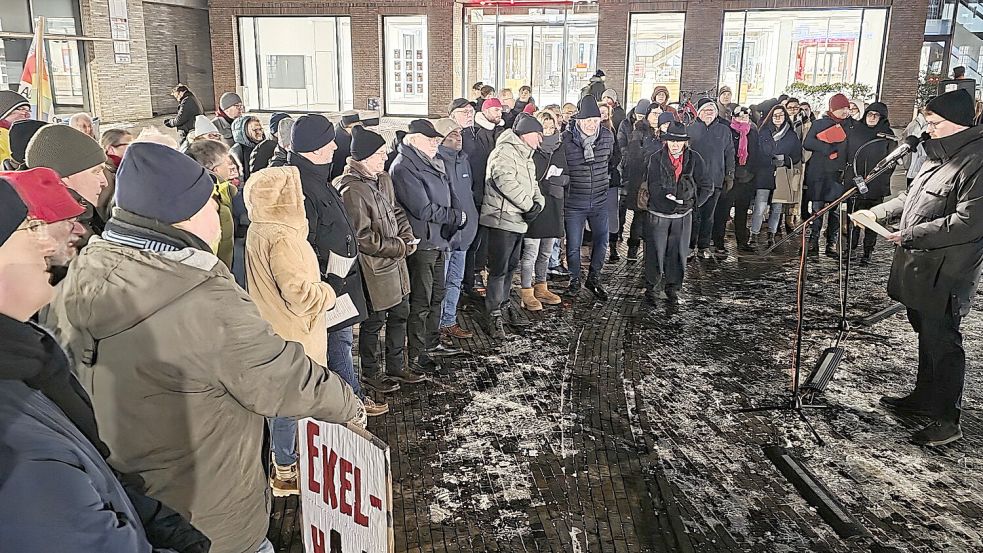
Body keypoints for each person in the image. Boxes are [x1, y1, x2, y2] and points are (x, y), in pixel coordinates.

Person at [43, 142, 360, 553]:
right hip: (208, 512)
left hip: (128, 499)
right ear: (187, 216)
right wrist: (348, 405)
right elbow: (282, 377)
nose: (218, 213)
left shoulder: (83, 270)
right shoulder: (199, 299)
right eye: (210, 203)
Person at [0, 176, 213, 553]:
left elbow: (92, 468)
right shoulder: (15, 445)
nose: (47, 243)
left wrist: (154, 520)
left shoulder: (31, 358)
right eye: (29, 228)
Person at [854, 88, 983, 447]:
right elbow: (911, 196)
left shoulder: (977, 159)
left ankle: (947, 418)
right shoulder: (936, 154)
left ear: (957, 124)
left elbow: (970, 221)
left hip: (948, 270)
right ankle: (924, 397)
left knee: (943, 343)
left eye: (935, 122)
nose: (927, 128)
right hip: (919, 266)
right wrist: (876, 213)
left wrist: (909, 234)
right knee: (925, 335)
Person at [243, 165, 360, 498]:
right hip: (295, 333)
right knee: (290, 404)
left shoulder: (259, 228)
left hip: (272, 328)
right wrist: (330, 289)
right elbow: (299, 297)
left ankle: (282, 459)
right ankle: (285, 469)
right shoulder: (284, 239)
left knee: (280, 399)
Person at [289, 114, 369, 397]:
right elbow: (301, 246)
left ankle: (349, 398)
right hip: (328, 286)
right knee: (338, 347)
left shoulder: (317, 177)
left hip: (338, 282)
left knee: (343, 344)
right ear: (314, 148)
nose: (336, 146)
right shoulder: (301, 186)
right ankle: (350, 405)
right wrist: (328, 280)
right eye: (329, 142)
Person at [337, 126, 417, 400]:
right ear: (364, 157)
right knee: (374, 322)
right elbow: (363, 238)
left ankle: (397, 366)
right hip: (374, 270)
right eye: (380, 154)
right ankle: (371, 373)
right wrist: (399, 247)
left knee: (400, 314)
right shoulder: (352, 190)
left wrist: (406, 236)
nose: (385, 158)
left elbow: (396, 211)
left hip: (396, 263)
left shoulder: (382, 179)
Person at [391, 120, 466, 373]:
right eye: (430, 139)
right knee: (421, 301)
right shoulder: (404, 167)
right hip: (423, 242)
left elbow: (450, 191)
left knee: (437, 295)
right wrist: (455, 217)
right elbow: (421, 208)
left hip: (439, 239)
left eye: (436, 139)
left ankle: (431, 343)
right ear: (414, 140)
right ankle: (416, 354)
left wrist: (456, 214)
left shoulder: (433, 162)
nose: (436, 142)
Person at [480, 114, 545, 337]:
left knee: (510, 267)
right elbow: (504, 181)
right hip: (502, 219)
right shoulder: (505, 151)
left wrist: (539, 202)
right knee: (498, 269)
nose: (540, 140)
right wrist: (529, 206)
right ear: (527, 134)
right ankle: (493, 315)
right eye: (538, 135)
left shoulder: (526, 154)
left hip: (517, 220)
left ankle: (506, 307)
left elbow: (533, 183)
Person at [643, 122, 712, 308]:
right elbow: (653, 184)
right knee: (655, 253)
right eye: (671, 140)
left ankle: (673, 288)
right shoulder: (655, 158)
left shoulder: (695, 159)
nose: (674, 144)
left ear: (685, 143)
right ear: (666, 141)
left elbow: (707, 185)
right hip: (658, 214)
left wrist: (693, 204)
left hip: (683, 216)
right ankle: (651, 287)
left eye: (678, 141)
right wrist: (667, 201)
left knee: (677, 254)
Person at [562, 96, 615, 300]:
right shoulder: (566, 141)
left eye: (595, 120)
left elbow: (612, 159)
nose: (592, 125)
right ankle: (574, 279)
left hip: (600, 199)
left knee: (602, 240)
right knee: (573, 244)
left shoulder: (608, 137)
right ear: (578, 122)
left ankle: (594, 277)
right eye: (588, 121)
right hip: (574, 202)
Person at [25, 124, 109, 248]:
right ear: (62, 178)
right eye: (96, 172)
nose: (104, 182)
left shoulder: (82, 217)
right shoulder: (58, 238)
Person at [434, 118, 478, 341]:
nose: (457, 136)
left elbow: (467, 194)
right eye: (451, 133)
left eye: (459, 132)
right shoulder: (436, 161)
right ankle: (435, 325)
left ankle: (448, 320)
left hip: (464, 233)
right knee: (439, 283)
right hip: (445, 233)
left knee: (455, 280)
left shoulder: (463, 161)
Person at [521, 110, 567, 310]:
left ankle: (541, 285)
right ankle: (526, 290)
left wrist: (561, 180)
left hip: (555, 203)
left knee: (546, 252)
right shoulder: (531, 150)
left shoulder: (560, 148)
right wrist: (545, 184)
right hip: (536, 205)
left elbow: (567, 173)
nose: (548, 131)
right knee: (530, 251)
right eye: (544, 127)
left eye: (551, 127)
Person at [465, 97, 506, 298]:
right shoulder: (476, 133)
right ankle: (474, 273)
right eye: (496, 110)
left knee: (491, 236)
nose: (499, 114)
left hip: (496, 193)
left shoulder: (502, 131)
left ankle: (485, 270)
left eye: (500, 110)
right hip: (480, 191)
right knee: (478, 237)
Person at [844, 102, 892, 264]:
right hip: (855, 182)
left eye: (876, 115)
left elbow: (891, 162)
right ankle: (850, 248)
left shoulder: (887, 135)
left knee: (872, 219)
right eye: (870, 114)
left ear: (882, 118)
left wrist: (879, 177)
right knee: (853, 218)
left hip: (876, 185)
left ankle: (867, 251)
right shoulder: (856, 130)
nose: (872, 118)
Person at [803, 93, 851, 257]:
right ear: (833, 109)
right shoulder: (819, 124)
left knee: (835, 211)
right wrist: (826, 147)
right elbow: (807, 143)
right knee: (817, 208)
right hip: (819, 173)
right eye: (841, 108)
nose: (845, 111)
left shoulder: (850, 126)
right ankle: (813, 240)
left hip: (837, 174)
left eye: (847, 108)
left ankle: (832, 242)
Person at [686, 98, 735, 258]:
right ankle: (689, 245)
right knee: (693, 215)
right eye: (706, 110)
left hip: (715, 180)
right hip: (693, 181)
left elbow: (729, 153)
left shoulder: (724, 130)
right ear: (699, 113)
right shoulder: (690, 130)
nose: (709, 113)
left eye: (712, 110)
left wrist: (729, 175)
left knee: (708, 216)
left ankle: (703, 246)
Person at [623, 106, 668, 262]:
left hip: (659, 182)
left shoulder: (665, 134)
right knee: (639, 216)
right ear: (647, 115)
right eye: (654, 113)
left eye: (659, 114)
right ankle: (633, 248)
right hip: (641, 180)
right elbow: (634, 157)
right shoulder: (639, 132)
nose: (656, 117)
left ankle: (651, 250)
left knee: (655, 218)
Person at [752, 104, 802, 245]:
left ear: (785, 116)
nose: (778, 118)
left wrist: (785, 160)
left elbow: (797, 156)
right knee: (760, 206)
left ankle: (771, 235)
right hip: (765, 172)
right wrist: (768, 159)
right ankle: (754, 234)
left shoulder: (791, 135)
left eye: (781, 115)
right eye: (775, 115)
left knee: (777, 207)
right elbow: (757, 152)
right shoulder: (764, 132)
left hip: (782, 174)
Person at [712, 106, 759, 253]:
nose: (743, 119)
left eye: (746, 117)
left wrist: (750, 172)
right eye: (740, 116)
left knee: (742, 211)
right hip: (731, 177)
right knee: (722, 211)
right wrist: (730, 173)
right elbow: (725, 154)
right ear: (734, 117)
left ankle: (742, 241)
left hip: (747, 179)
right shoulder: (728, 131)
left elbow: (756, 153)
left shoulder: (752, 133)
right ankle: (718, 241)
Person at [187, 139, 237, 270]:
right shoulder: (207, 201)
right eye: (227, 163)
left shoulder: (221, 189)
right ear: (215, 169)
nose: (231, 166)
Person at [599, 102, 623, 262]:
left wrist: (609, 166)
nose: (603, 115)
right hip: (595, 179)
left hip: (610, 179)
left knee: (612, 214)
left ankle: (613, 247)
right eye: (600, 112)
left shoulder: (612, 131)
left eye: (605, 112)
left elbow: (617, 154)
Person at [98, 128, 132, 222]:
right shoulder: (104, 173)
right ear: (111, 149)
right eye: (129, 145)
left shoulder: (120, 167)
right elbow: (103, 209)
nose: (133, 149)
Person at [231, 115, 264, 182]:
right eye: (255, 130)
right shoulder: (236, 151)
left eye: (260, 129)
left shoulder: (265, 146)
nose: (259, 132)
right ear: (244, 132)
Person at [0, 90, 31, 162]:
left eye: (28, 111)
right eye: (22, 109)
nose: (27, 115)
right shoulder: (3, 134)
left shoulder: (20, 134)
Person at [330, 111, 361, 180]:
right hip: (340, 171)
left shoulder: (346, 130)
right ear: (347, 127)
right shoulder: (339, 138)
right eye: (352, 127)